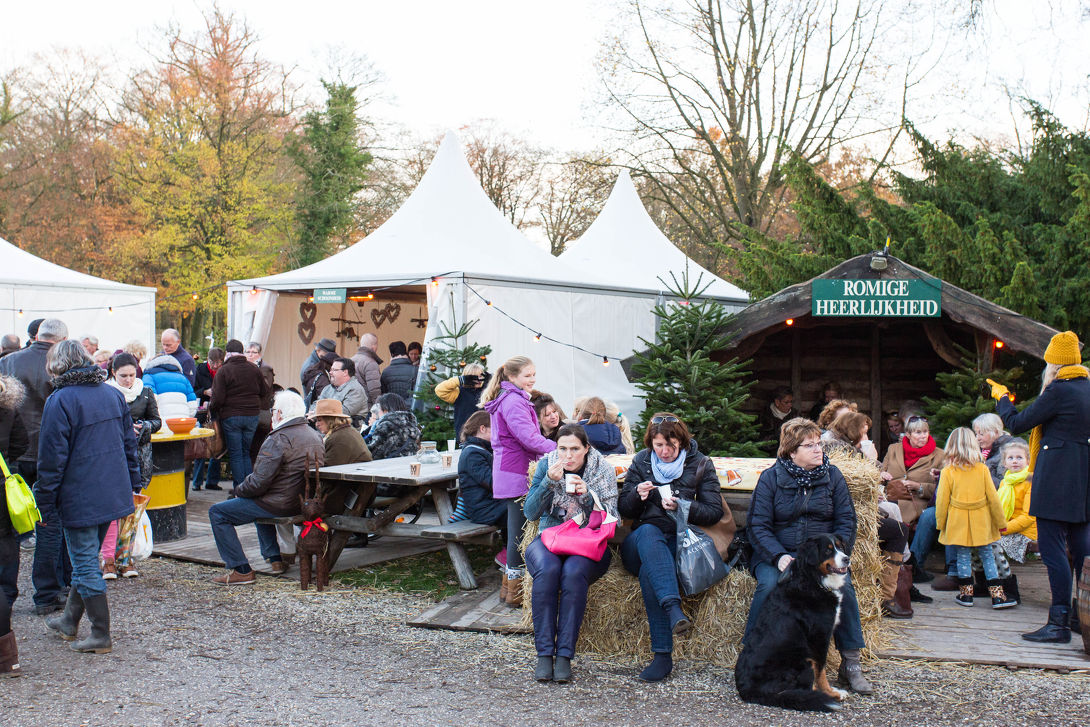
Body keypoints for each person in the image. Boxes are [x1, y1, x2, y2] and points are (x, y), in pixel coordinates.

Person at [743, 417, 871, 694]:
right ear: (792, 451)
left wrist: (836, 555)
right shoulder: (771, 478)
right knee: (769, 586)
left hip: (819, 557)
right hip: (778, 553)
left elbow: (846, 521)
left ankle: (851, 664)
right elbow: (758, 525)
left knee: (844, 590)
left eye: (818, 444)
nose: (818, 450)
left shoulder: (833, 476)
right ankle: (752, 657)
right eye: (809, 445)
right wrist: (778, 556)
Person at [38, 340, 141, 654]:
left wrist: (44, 501)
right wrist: (133, 482)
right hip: (110, 490)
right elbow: (129, 444)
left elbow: (52, 458)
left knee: (84, 564)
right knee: (87, 558)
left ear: (58, 367)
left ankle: (100, 634)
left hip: (80, 494)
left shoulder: (60, 400)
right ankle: (69, 621)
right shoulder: (111, 394)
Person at [990, 330, 1090, 642]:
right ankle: (1079, 616)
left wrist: (1003, 399)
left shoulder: (1059, 390)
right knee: (1081, 550)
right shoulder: (1087, 388)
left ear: (1054, 364)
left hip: (1056, 483)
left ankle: (1058, 623)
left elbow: (1018, 423)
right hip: (1083, 482)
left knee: (1053, 550)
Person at [618, 413, 722, 682]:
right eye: (658, 445)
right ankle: (674, 608)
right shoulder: (641, 461)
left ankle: (662, 656)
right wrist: (636, 496)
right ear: (651, 443)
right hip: (639, 544)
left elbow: (713, 512)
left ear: (682, 441)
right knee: (649, 532)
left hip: (678, 542)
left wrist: (683, 506)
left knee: (651, 573)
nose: (664, 451)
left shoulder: (700, 463)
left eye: (670, 445)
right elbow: (624, 509)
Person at [523, 424, 619, 682]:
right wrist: (548, 482)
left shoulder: (602, 470)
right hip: (551, 538)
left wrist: (588, 496)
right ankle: (544, 654)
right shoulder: (547, 465)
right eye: (563, 448)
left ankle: (564, 655)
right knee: (549, 570)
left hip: (588, 541)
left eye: (575, 449)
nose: (568, 455)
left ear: (586, 449)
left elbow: (613, 520)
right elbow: (530, 513)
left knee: (573, 573)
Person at [207, 391, 324, 584]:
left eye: (272, 411)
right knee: (254, 501)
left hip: (279, 503)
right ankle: (274, 558)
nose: (271, 415)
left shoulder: (278, 438)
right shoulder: (315, 435)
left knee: (218, 512)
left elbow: (258, 483)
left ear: (278, 413)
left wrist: (238, 490)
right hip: (304, 502)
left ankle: (241, 569)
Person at [0, 318, 71, 616]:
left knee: (13, 525)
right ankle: (47, 591)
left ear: (37, 336)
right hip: (48, 452)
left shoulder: (10, 362)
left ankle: (9, 593)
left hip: (14, 456)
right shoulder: (61, 362)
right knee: (50, 522)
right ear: (61, 339)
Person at [482, 356, 557, 608]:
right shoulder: (513, 401)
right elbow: (529, 438)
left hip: (513, 470)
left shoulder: (512, 399)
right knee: (518, 533)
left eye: (534, 374)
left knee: (518, 531)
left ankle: (509, 589)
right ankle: (515, 592)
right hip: (517, 472)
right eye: (527, 375)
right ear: (511, 377)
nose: (532, 379)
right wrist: (563, 449)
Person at [935, 427, 1016, 609]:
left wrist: (941, 523)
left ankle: (966, 595)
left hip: (958, 521)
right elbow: (993, 499)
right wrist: (1001, 523)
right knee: (987, 555)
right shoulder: (982, 469)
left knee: (963, 555)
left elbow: (942, 502)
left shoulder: (948, 472)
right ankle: (997, 597)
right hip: (982, 521)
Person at [99, 354, 160, 579]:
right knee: (111, 511)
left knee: (132, 510)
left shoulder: (145, 392)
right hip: (114, 457)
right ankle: (108, 560)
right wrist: (122, 429)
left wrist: (142, 426)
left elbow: (156, 421)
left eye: (132, 375)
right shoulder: (105, 393)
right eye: (123, 375)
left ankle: (126, 557)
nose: (128, 380)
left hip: (139, 456)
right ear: (113, 373)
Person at [209, 340, 270, 491]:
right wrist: (256, 405)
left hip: (231, 417)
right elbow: (265, 392)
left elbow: (217, 399)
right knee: (246, 452)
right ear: (242, 352)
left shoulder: (224, 371)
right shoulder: (254, 369)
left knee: (236, 454)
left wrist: (214, 410)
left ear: (227, 353)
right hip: (252, 416)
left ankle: (239, 489)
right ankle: (249, 488)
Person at [0, 373, 27, 676]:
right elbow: (21, 442)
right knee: (6, 575)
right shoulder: (7, 407)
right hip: (2, 499)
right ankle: (8, 656)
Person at [455, 410, 506, 551]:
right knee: (519, 511)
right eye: (495, 428)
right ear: (482, 429)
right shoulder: (472, 453)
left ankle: (511, 552)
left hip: (492, 504)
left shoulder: (482, 450)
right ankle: (509, 553)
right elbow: (493, 483)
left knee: (522, 507)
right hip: (484, 510)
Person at [880, 414, 944, 526]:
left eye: (925, 432)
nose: (923, 436)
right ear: (908, 434)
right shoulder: (893, 449)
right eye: (918, 432)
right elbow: (880, 473)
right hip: (890, 502)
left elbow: (943, 488)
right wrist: (882, 474)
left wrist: (919, 487)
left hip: (917, 508)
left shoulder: (939, 455)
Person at [995, 437, 1036, 563]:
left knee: (991, 545)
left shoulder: (1030, 481)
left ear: (1028, 461)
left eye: (1019, 457)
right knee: (978, 541)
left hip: (1025, 532)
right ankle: (987, 578)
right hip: (1006, 527)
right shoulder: (1005, 482)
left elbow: (1029, 517)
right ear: (1005, 463)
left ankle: (1005, 579)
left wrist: (1001, 529)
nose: (1015, 461)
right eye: (1010, 458)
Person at [434, 362, 486, 444]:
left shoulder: (487, 391)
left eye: (481, 376)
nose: (479, 379)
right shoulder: (459, 392)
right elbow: (440, 390)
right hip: (466, 437)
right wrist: (460, 380)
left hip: (485, 436)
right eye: (475, 377)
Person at [142, 353, 198, 426]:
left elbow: (149, 400)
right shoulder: (184, 378)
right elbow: (192, 405)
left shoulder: (149, 376)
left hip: (161, 424)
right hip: (182, 424)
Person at [312, 398, 371, 467]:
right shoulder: (347, 431)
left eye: (319, 420)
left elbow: (329, 467)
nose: (317, 424)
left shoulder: (338, 437)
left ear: (329, 420)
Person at [245, 342, 276, 463]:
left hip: (260, 411)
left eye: (254, 352)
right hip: (249, 411)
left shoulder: (265, 368)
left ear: (260, 354)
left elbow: (265, 388)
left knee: (256, 447)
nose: (250, 355)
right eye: (248, 352)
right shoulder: (245, 367)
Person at [365, 393, 422, 460]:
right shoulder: (412, 424)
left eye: (379, 409)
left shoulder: (386, 425)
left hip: (387, 466)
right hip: (408, 463)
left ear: (385, 409)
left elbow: (372, 452)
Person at [312, 357, 367, 422]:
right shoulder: (328, 388)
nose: (330, 372)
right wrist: (313, 412)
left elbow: (343, 412)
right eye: (331, 369)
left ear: (345, 372)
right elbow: (317, 403)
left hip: (347, 429)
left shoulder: (356, 390)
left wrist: (317, 413)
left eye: (334, 370)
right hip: (326, 427)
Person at [972, 412, 1012, 486]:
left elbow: (1004, 484)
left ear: (996, 432)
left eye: (981, 434)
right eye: (976, 434)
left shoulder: (1010, 450)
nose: (977, 438)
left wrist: (978, 473)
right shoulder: (981, 451)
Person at [757, 386, 797, 451]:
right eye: (786, 402)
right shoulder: (764, 416)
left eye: (791, 402)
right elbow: (760, 442)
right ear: (777, 402)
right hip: (769, 455)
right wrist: (779, 436)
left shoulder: (795, 415)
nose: (790, 405)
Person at [351, 333, 383, 411]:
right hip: (366, 408)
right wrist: (378, 409)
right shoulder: (371, 363)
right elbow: (374, 390)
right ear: (374, 346)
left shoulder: (350, 360)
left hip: (352, 405)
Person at [302, 341, 337, 409]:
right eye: (327, 353)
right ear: (318, 351)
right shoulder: (314, 368)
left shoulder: (314, 366)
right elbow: (324, 399)